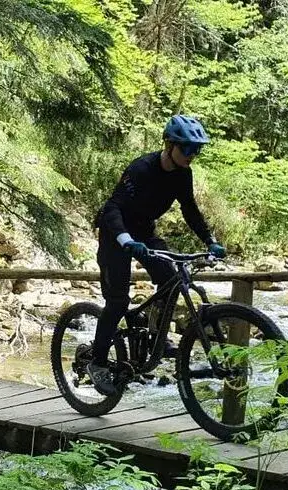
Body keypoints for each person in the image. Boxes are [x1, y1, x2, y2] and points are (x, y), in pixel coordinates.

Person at [88, 115, 226, 396]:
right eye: (187, 148)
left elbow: (190, 210)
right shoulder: (141, 168)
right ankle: (97, 363)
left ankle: (155, 339)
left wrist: (210, 240)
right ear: (169, 144)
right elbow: (113, 207)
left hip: (145, 232)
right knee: (117, 301)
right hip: (117, 233)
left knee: (172, 280)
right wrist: (125, 239)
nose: (192, 155)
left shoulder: (183, 174)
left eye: (196, 150)